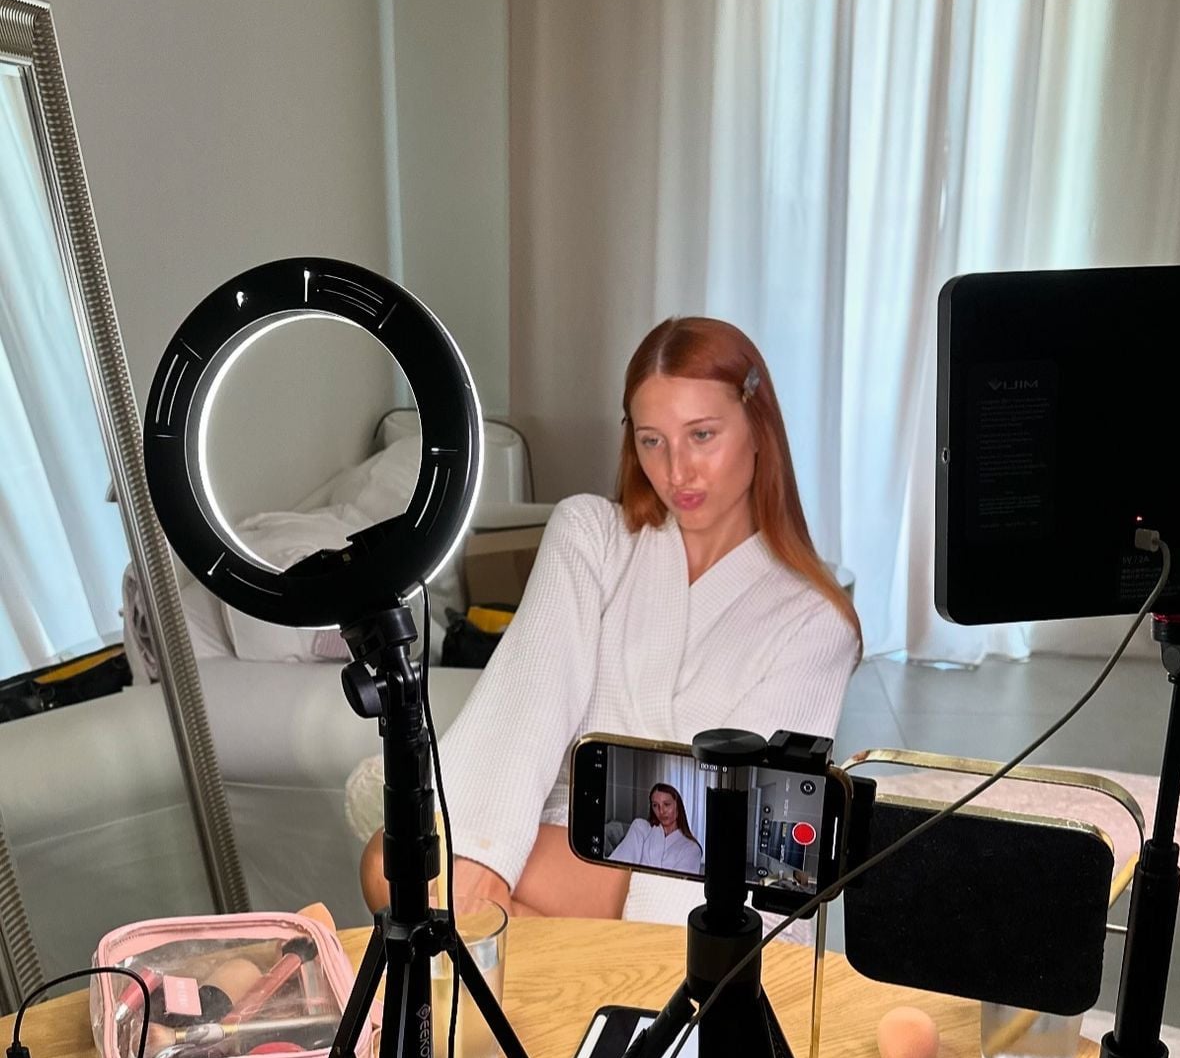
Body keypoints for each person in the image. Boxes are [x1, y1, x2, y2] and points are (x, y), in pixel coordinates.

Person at [356, 315, 861, 923]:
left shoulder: (817, 618)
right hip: (562, 847)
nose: (678, 471)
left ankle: (507, 948)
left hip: (689, 879)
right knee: (392, 858)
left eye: (702, 435)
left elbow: (757, 827)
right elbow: (529, 694)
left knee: (421, 889)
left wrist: (614, 864)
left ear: (759, 427)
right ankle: (516, 942)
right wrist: (486, 861)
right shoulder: (591, 533)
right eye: (653, 440)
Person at [608, 783, 704, 874]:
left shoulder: (692, 848)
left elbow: (680, 886)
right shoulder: (641, 828)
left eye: (666, 804)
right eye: (655, 805)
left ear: (678, 806)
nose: (661, 811)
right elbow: (618, 864)